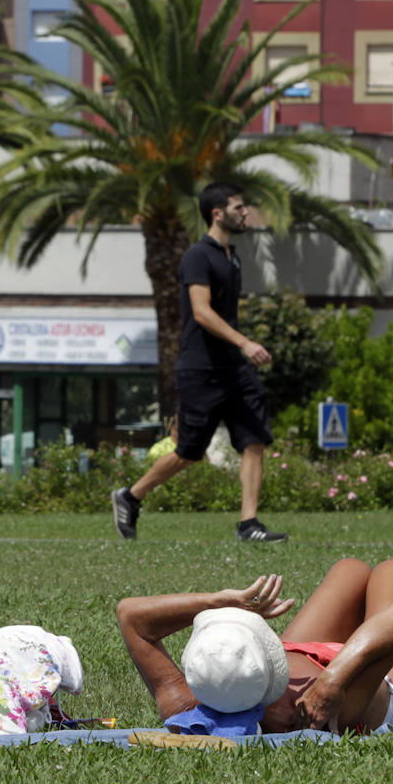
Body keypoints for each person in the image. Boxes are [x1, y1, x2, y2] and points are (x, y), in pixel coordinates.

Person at [115, 558, 393, 735]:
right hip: (356, 678)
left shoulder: (183, 702)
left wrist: (221, 601)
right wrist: (332, 682)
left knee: (350, 569)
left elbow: (130, 614)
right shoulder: (311, 713)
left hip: (300, 657)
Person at [111, 181, 284, 543]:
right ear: (217, 213)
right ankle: (131, 496)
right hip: (200, 368)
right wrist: (245, 342)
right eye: (238, 208)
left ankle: (248, 524)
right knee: (189, 452)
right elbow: (201, 313)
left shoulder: (231, 257)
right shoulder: (198, 256)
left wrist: (240, 349)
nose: (246, 212)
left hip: (232, 368)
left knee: (254, 438)